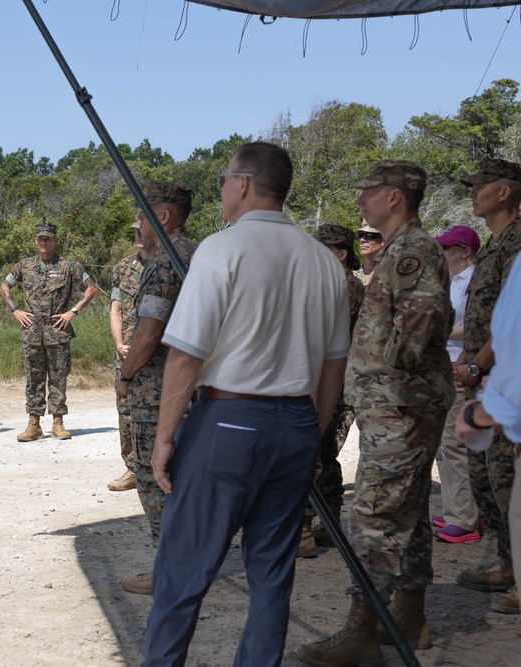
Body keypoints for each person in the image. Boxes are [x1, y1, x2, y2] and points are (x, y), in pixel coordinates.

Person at [143, 142, 349, 665]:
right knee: (272, 577)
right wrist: (310, 430)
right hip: (297, 423)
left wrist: (165, 437)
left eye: (223, 181)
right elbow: (332, 368)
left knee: (183, 570)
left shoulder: (222, 248)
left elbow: (186, 356)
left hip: (229, 420)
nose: (221, 192)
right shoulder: (324, 262)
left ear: (241, 183)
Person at [300, 161, 454, 664]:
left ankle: (364, 629)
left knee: (374, 515)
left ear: (395, 197)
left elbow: (420, 324)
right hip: (397, 408)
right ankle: (408, 619)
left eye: (369, 192)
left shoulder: (411, 251)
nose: (361, 200)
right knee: (406, 513)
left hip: (400, 409)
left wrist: (385, 376)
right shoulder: (398, 251)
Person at [114, 181, 196, 595]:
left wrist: (125, 376)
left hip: (158, 390)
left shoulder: (167, 261)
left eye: (143, 213)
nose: (137, 222)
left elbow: (148, 334)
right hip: (188, 386)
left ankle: (170, 571)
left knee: (155, 475)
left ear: (162, 217)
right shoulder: (194, 252)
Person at [452, 157, 521, 607]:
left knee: (508, 480)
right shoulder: (496, 245)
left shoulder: (517, 242)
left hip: (503, 382)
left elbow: (512, 322)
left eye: (480, 184)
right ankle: (508, 562)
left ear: (505, 192)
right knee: (487, 477)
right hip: (487, 381)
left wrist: (476, 365)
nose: (472, 191)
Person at [297, 224, 366, 558]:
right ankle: (331, 524)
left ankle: (306, 530)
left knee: (313, 452)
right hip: (329, 380)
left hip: (333, 384)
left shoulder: (346, 285)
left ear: (340, 253)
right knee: (324, 453)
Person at [0, 221, 98, 441]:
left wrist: (73, 311)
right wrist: (15, 310)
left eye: (48, 238)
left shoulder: (68, 266)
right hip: (31, 333)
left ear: (56, 240)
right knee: (33, 380)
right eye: (41, 238)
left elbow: (92, 289)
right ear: (36, 241)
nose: (44, 242)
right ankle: (34, 425)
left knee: (58, 378)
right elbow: (4, 286)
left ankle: (58, 423)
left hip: (57, 333)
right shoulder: (23, 266)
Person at [431, 225, 482, 544]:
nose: (442, 252)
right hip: (442, 365)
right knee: (443, 443)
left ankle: (464, 518)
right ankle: (455, 508)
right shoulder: (449, 280)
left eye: (448, 247)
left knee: (454, 443)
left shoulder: (472, 281)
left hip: (458, 366)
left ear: (465, 251)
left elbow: (478, 325)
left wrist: (441, 331)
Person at [108, 213, 156, 492]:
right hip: (125, 353)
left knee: (154, 413)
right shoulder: (122, 268)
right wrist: (118, 342)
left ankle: (158, 468)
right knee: (125, 411)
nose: (137, 235)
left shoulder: (166, 264)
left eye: (142, 230)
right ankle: (132, 468)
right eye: (134, 231)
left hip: (156, 354)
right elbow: (116, 309)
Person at [354, 220, 385, 285]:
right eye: (360, 235)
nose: (362, 240)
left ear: (383, 240)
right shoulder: (351, 278)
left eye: (369, 235)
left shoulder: (393, 276)